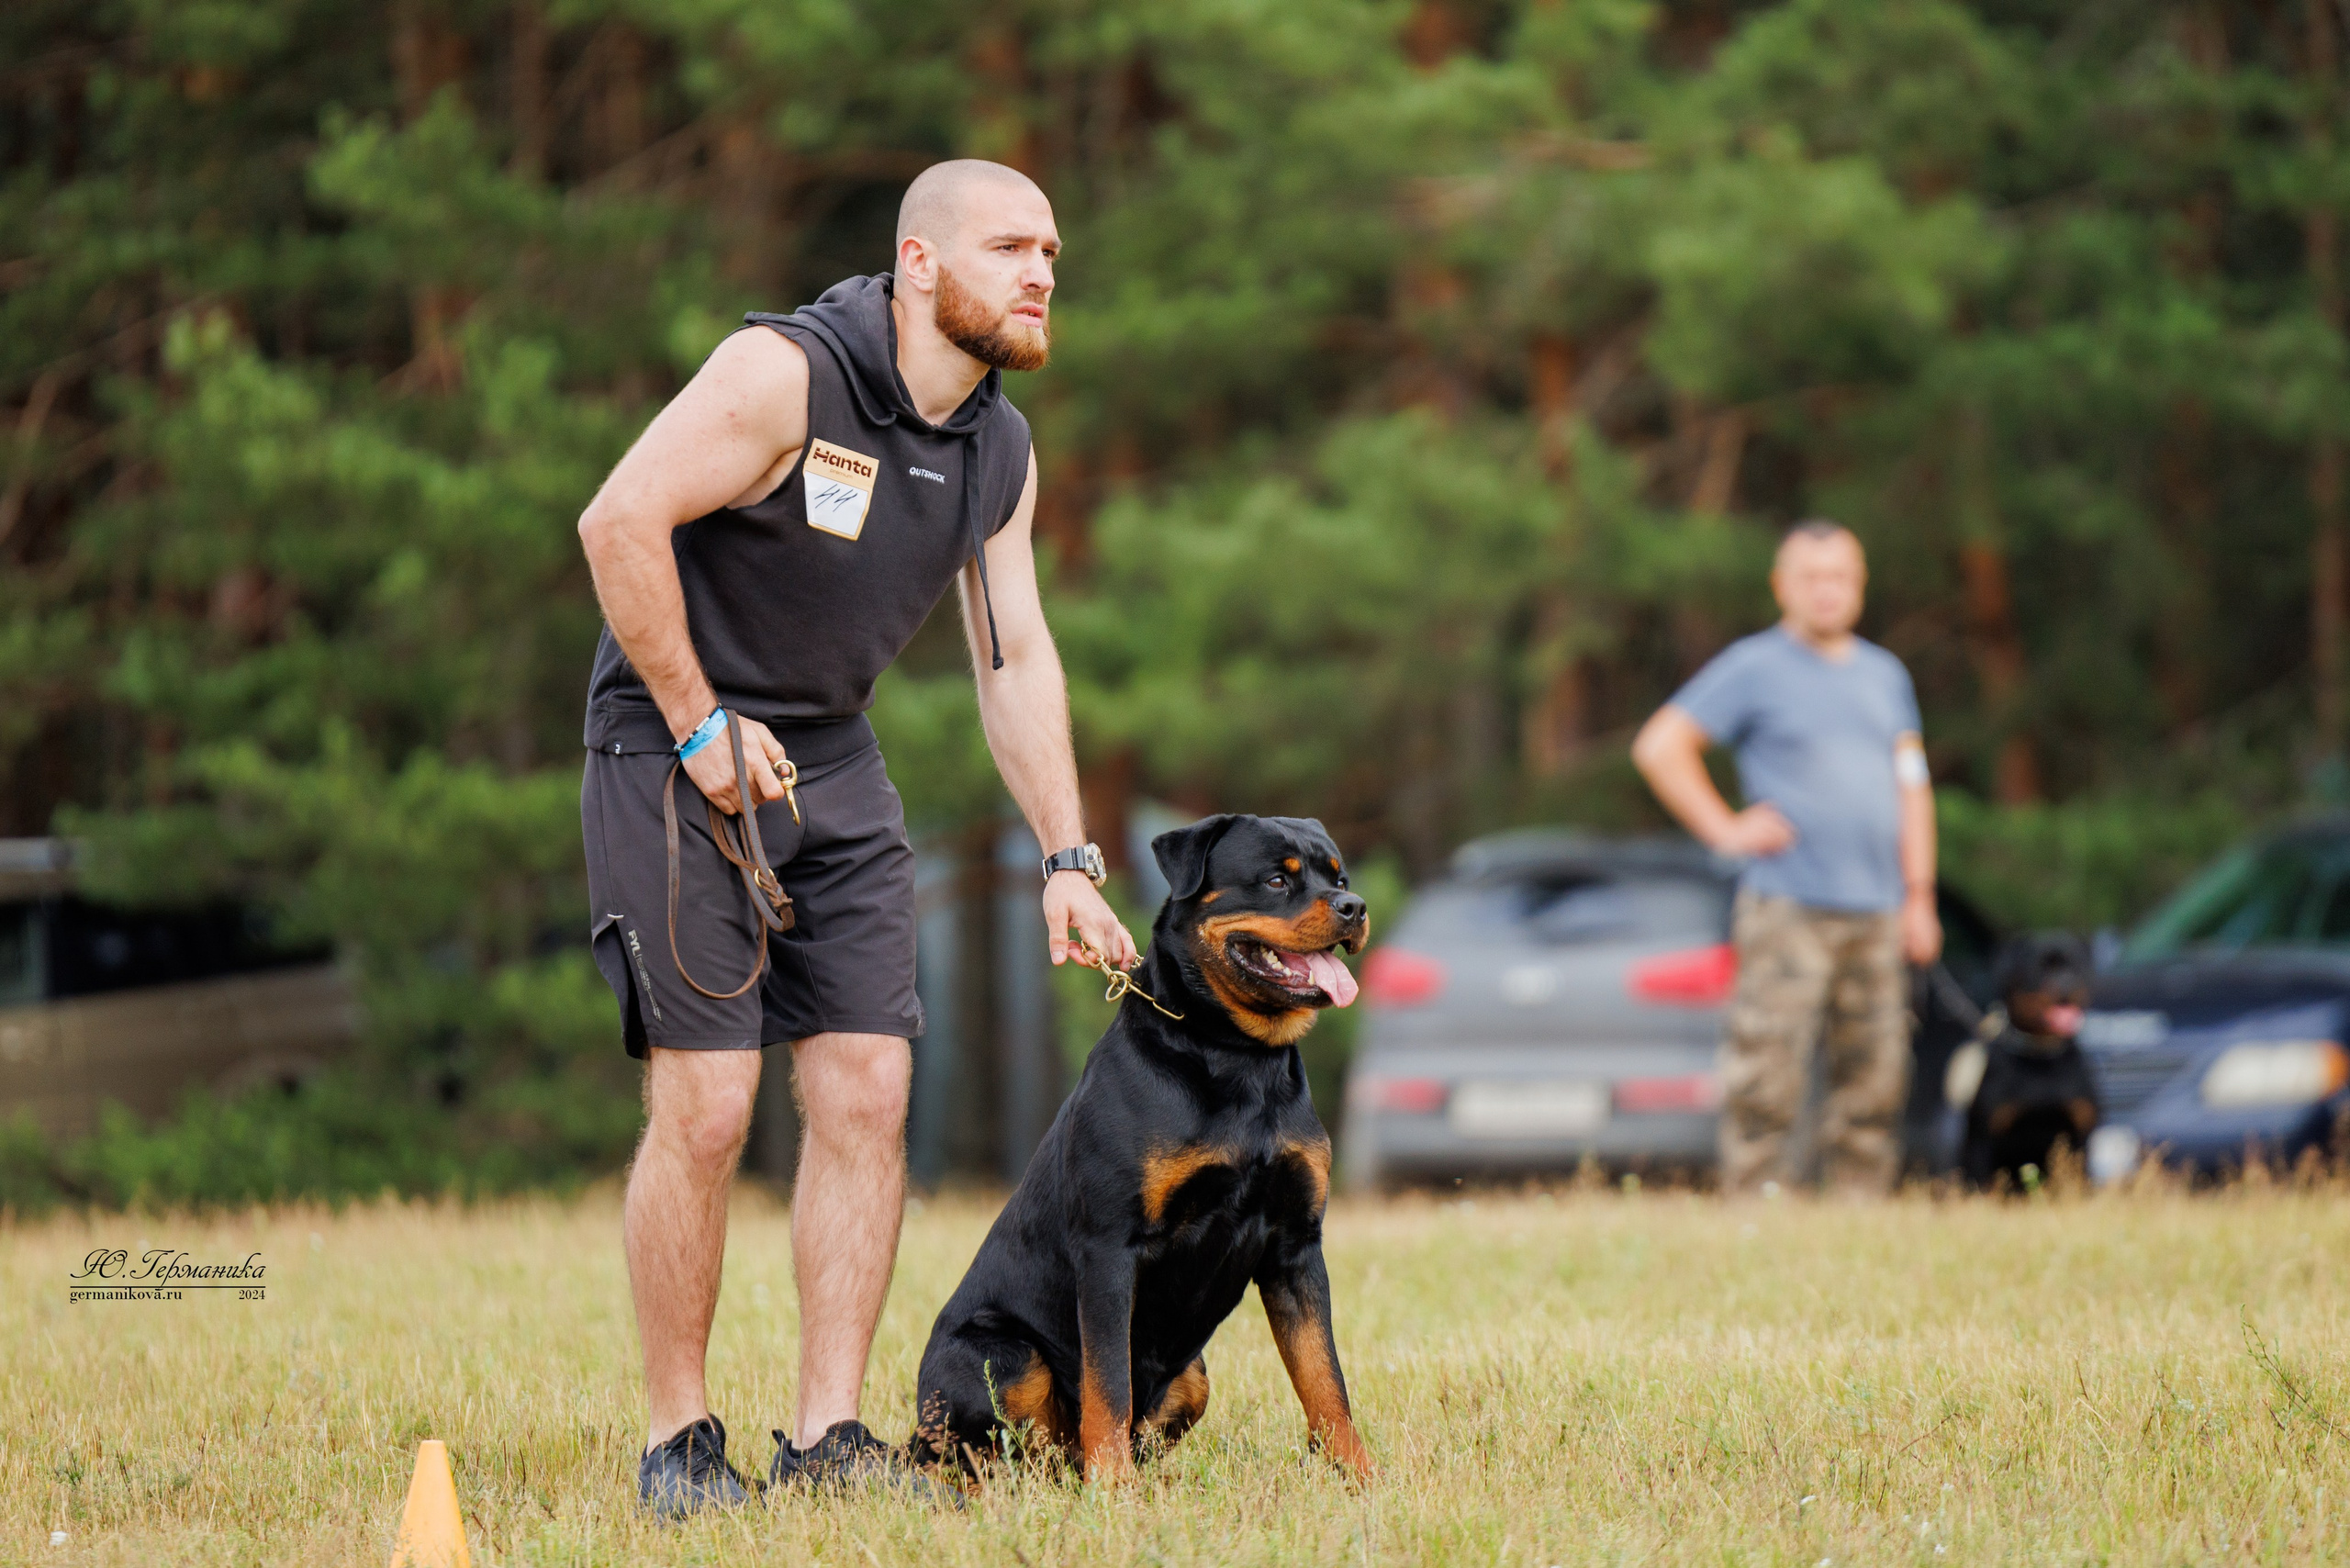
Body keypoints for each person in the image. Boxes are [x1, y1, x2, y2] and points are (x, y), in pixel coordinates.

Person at [573, 160, 1138, 1514]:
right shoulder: (787, 375)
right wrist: (703, 728)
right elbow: (617, 521)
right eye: (1011, 245)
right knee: (706, 1110)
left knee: (869, 1093)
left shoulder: (997, 446)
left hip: (829, 753)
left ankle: (827, 1438)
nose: (1042, 270)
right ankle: (678, 1446)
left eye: (1052, 249)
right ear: (922, 263)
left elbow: (1013, 658)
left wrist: (1066, 855)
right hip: (671, 746)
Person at [1630, 521, 1941, 1196]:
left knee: (1877, 1076)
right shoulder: (1754, 666)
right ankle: (1758, 1210)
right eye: (1811, 577)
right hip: (1788, 905)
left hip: (1880, 908)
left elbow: (1912, 788)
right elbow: (1661, 746)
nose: (1827, 591)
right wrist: (1726, 828)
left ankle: (1860, 1212)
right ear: (1782, 586)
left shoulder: (1886, 676)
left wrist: (1920, 896)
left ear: (1859, 585)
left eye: (1841, 577)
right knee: (1768, 1074)